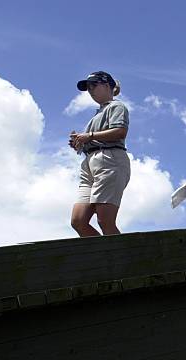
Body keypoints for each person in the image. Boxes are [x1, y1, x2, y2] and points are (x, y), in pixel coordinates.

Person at [69, 71, 131, 237]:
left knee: (105, 220)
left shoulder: (116, 106)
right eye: (88, 87)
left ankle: (122, 260)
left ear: (107, 85)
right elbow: (94, 140)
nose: (90, 90)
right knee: (78, 220)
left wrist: (88, 136)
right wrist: (80, 143)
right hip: (91, 162)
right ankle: (106, 258)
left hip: (110, 160)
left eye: (93, 85)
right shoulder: (98, 114)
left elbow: (120, 131)